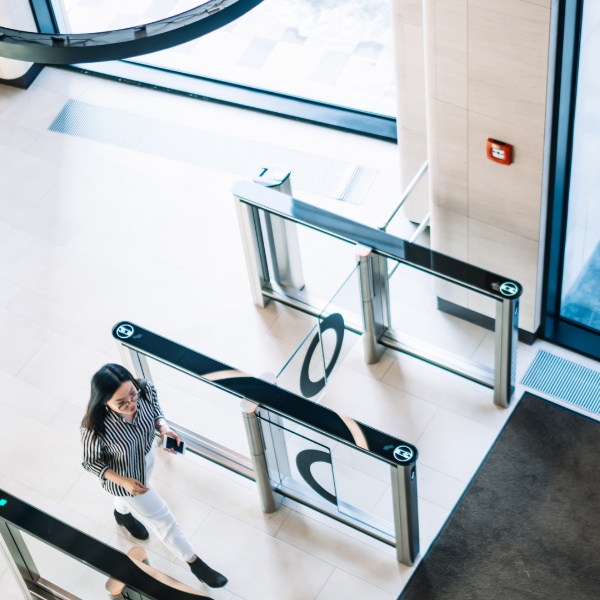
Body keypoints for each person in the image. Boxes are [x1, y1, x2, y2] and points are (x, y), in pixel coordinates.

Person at [80, 363, 227, 589]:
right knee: (163, 518)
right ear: (104, 402)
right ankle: (195, 563)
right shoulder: (95, 428)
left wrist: (164, 428)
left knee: (135, 498)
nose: (131, 404)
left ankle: (122, 515)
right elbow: (90, 462)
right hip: (123, 480)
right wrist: (124, 482)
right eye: (122, 403)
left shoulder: (146, 390)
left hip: (146, 458)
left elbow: (156, 412)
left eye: (133, 395)